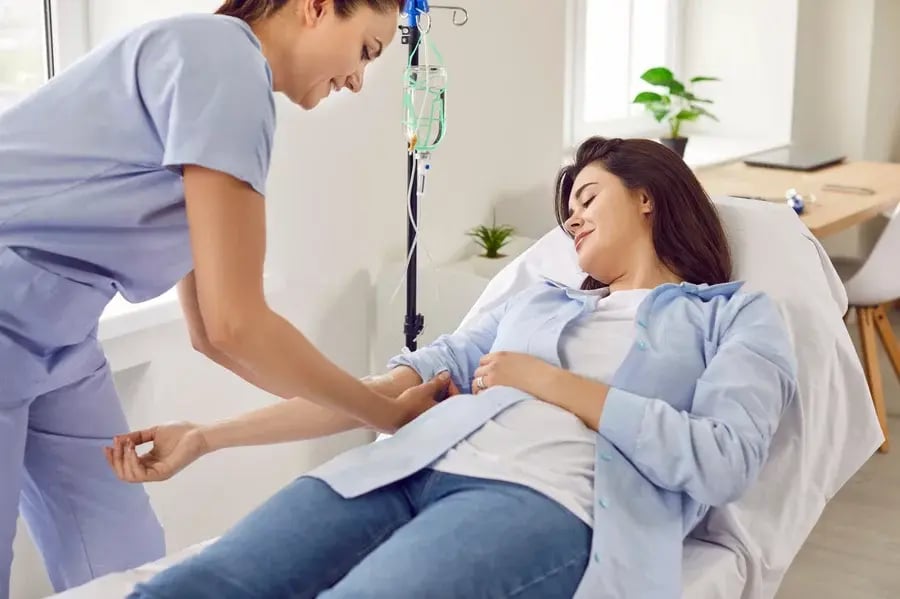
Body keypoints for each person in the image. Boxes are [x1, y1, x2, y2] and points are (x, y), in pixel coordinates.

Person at [112, 137, 798, 598]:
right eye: (568, 214)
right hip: (399, 471)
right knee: (201, 584)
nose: (572, 222)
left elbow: (724, 460)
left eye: (588, 199)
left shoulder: (734, 315)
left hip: (542, 498)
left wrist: (549, 382)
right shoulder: (536, 303)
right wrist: (208, 436)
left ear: (647, 195)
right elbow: (377, 395)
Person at [0, 1, 453, 596]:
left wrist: (368, 405)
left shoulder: (222, 80)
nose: (357, 80)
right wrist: (386, 415)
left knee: (126, 563)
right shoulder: (225, 61)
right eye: (366, 50)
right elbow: (236, 324)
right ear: (316, 8)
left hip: (60, 338)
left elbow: (212, 335)